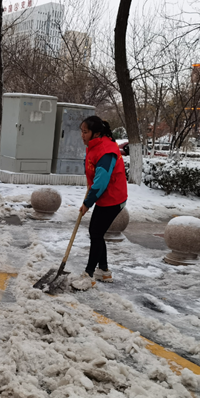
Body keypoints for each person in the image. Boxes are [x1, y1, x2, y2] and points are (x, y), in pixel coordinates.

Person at [72, 116, 128, 290]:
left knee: (95, 233)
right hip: (105, 195)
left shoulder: (105, 150)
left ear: (96, 133)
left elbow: (102, 181)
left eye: (85, 132)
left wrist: (88, 203)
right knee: (97, 233)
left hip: (113, 198)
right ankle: (103, 270)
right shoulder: (94, 146)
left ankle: (88, 275)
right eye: (81, 131)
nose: (82, 135)